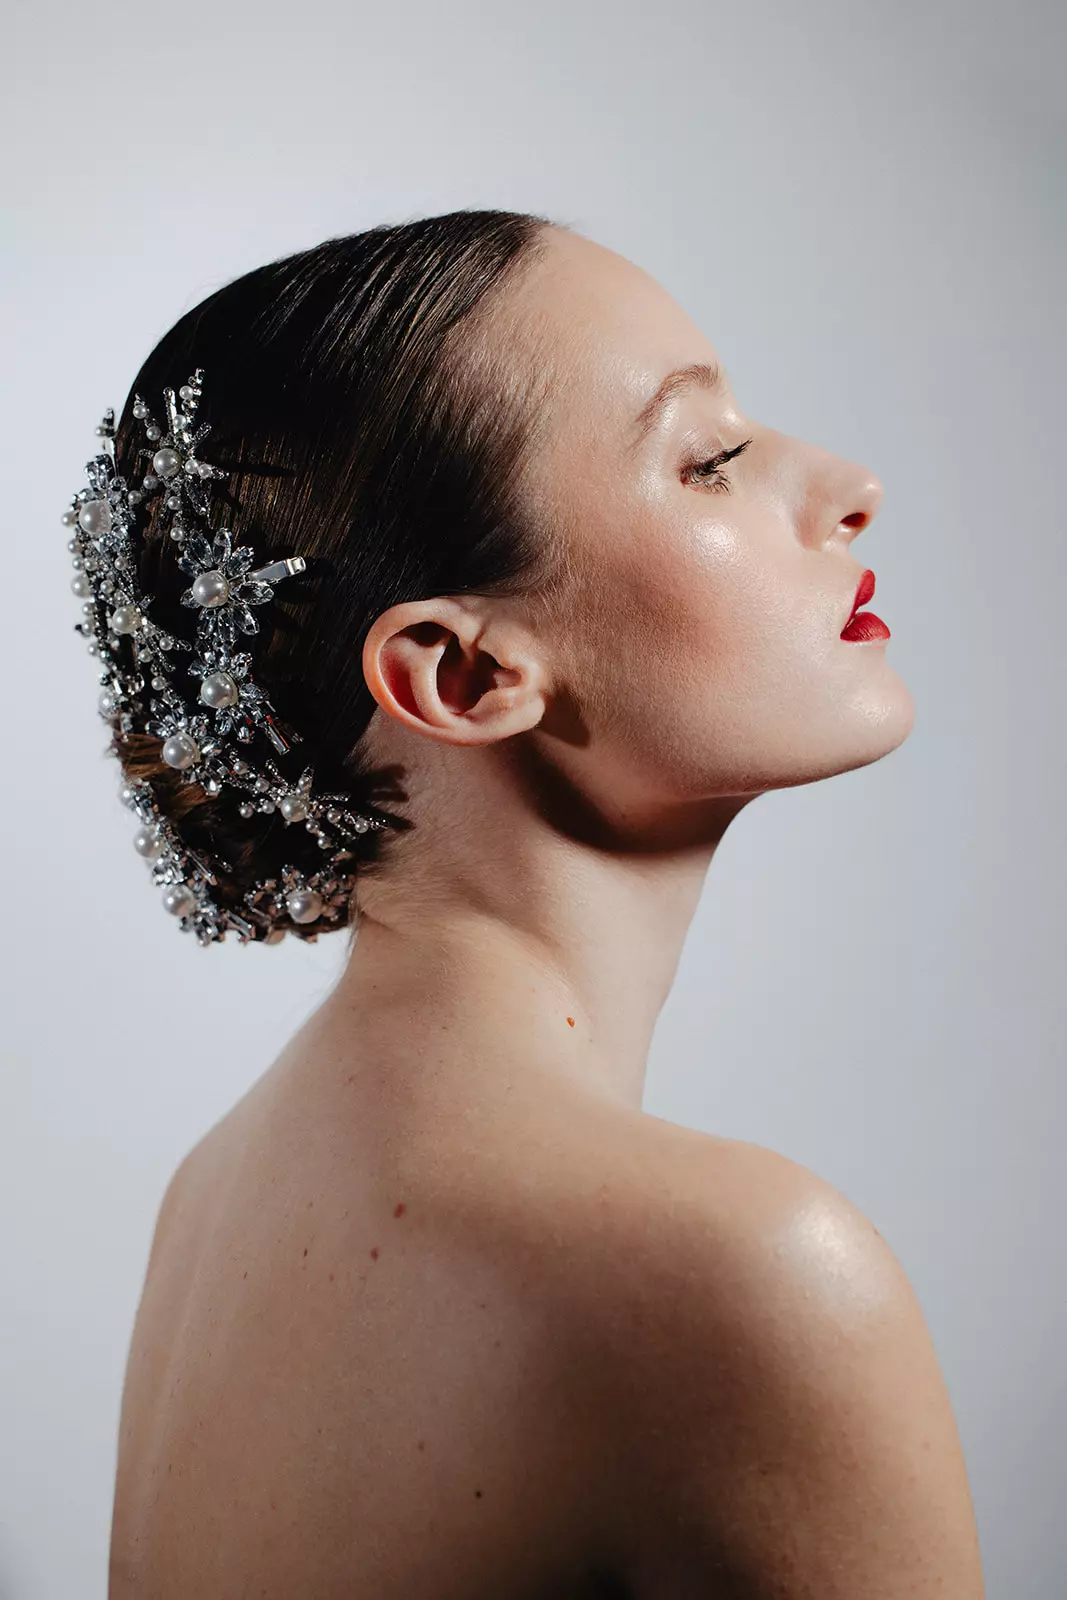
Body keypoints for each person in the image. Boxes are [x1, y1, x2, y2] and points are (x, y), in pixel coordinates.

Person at [103, 208, 983, 1597]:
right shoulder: (739, 1273)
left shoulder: (218, 1199)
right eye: (708, 461)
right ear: (463, 676)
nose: (848, 487)